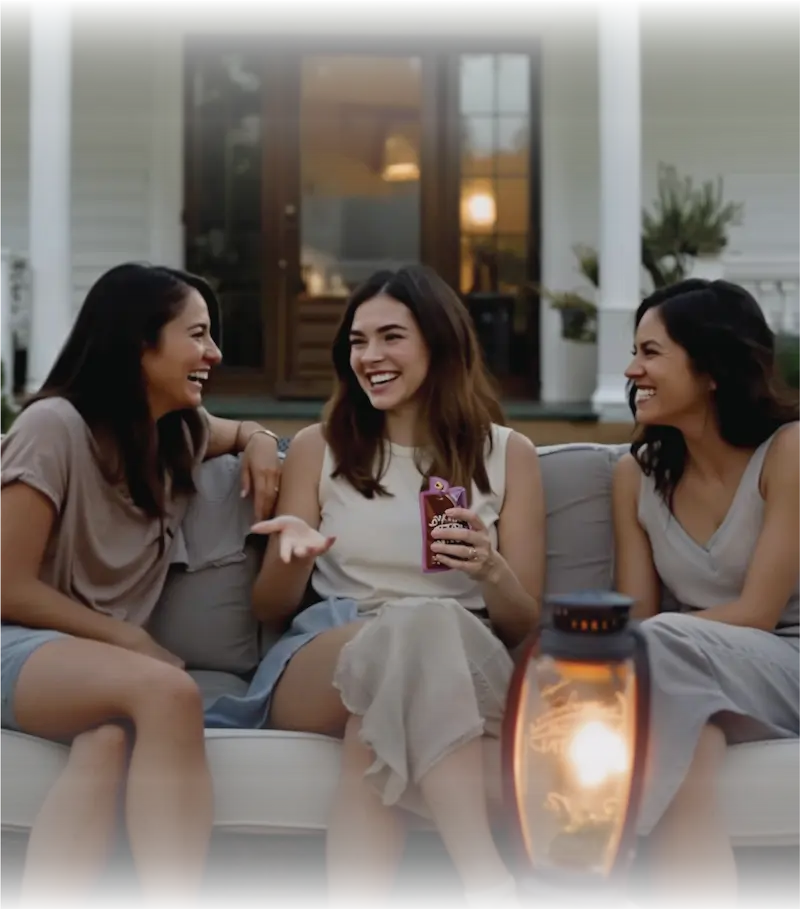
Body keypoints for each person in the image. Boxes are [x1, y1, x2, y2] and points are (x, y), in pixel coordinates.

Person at [240, 265, 544, 909]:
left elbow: (524, 626)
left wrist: (492, 570)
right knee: (409, 629)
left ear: (440, 342)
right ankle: (490, 887)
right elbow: (268, 609)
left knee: (383, 709)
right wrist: (293, 555)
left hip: (463, 653)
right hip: (331, 642)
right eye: (357, 341)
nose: (370, 357)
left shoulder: (507, 453)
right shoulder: (320, 448)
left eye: (390, 338)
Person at [0, 262, 281, 909]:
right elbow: (7, 585)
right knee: (168, 692)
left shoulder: (173, 436)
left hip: (84, 670)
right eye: (198, 334)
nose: (213, 353)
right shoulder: (54, 426)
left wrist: (263, 441)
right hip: (16, 645)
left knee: (106, 745)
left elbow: (238, 431)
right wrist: (129, 639)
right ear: (139, 342)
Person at [612, 278, 800, 909]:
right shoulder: (633, 476)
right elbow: (634, 615)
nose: (632, 369)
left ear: (711, 368)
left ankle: (586, 860)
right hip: (684, 674)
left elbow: (757, 613)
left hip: (784, 662)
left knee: (655, 642)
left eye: (650, 352)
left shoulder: (789, 452)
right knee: (693, 748)